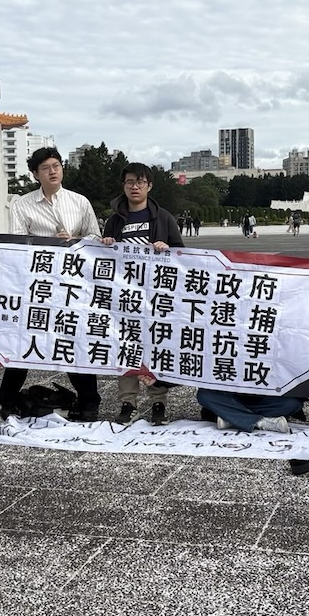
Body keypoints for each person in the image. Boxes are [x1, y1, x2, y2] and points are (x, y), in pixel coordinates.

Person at [1, 146, 102, 421]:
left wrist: (75, 241)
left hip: (72, 285)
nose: (52, 171)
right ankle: (8, 402)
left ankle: (89, 402)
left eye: (56, 166)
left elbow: (95, 237)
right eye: (45, 168)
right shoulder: (22, 204)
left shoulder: (79, 201)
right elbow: (18, 243)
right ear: (36, 174)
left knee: (73, 339)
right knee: (26, 340)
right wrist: (48, 244)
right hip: (38, 285)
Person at [102, 163, 185, 425]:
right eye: (129, 182)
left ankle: (158, 401)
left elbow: (183, 255)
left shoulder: (164, 218)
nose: (134, 187)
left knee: (155, 347)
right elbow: (103, 258)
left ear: (149, 186)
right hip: (124, 298)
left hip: (155, 297)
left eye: (140, 182)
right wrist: (106, 243)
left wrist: (167, 248)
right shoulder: (115, 220)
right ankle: (128, 402)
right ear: (123, 186)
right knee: (125, 348)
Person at [197, 389, 302, 434]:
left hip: (265, 398)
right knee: (204, 395)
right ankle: (260, 422)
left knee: (292, 403)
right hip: (229, 396)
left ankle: (232, 418)